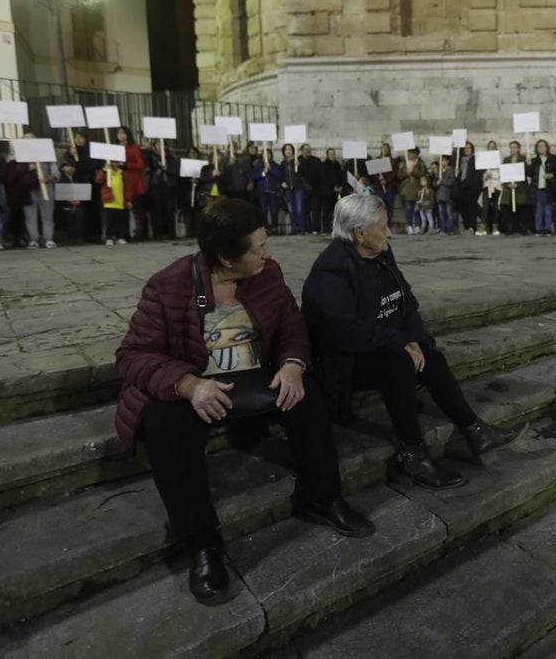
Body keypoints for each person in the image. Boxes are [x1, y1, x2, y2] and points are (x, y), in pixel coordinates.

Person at [115, 199, 372, 604]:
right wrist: (186, 384)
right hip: (195, 384)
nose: (267, 254)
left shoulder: (267, 274)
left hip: (255, 376)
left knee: (305, 392)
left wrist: (291, 364)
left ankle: (322, 497)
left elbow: (291, 323)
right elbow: (132, 355)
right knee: (165, 423)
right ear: (225, 258)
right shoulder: (168, 285)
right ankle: (202, 542)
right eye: (257, 248)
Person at [301, 194, 525, 489]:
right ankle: (412, 454)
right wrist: (399, 342)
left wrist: (415, 340)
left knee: (431, 358)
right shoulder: (332, 271)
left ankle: (475, 430)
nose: (390, 232)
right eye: (383, 227)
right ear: (359, 233)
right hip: (344, 360)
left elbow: (407, 301)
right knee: (398, 364)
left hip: (381, 343)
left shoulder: (380, 253)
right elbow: (346, 333)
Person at [120, 127, 148, 241]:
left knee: (138, 210)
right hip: (121, 182)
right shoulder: (115, 148)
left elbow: (141, 165)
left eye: (122, 133)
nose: (120, 135)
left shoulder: (134, 148)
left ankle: (140, 233)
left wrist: (127, 165)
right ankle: (125, 233)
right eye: (118, 133)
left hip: (134, 183)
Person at [529, 138, 556, 235]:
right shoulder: (535, 160)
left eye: (543, 146)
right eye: (539, 146)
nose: (541, 148)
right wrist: (529, 165)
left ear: (547, 147)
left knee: (548, 209)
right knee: (539, 209)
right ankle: (538, 228)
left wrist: (552, 175)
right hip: (537, 187)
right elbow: (529, 174)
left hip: (549, 187)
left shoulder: (552, 158)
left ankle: (548, 228)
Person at [280, 144, 307, 235]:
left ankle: (301, 228)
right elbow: (280, 176)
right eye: (286, 149)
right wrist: (282, 182)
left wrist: (299, 166)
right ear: (283, 151)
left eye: (290, 149)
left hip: (298, 187)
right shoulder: (283, 163)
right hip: (288, 189)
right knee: (291, 209)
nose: (288, 151)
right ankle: (294, 228)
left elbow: (304, 173)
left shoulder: (298, 161)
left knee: (299, 208)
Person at [435, 154, 456, 234]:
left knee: (449, 213)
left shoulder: (450, 170)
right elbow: (435, 183)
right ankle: (442, 229)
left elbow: (451, 182)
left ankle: (449, 229)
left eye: (443, 160)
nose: (441, 162)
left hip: (447, 195)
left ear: (447, 161)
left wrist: (442, 181)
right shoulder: (438, 171)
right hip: (439, 196)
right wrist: (437, 183)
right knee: (441, 214)